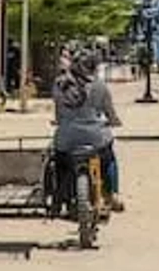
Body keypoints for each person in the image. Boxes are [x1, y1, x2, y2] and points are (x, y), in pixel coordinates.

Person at [53, 49, 124, 212]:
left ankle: (59, 196)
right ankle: (111, 195)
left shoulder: (59, 84)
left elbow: (58, 112)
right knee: (109, 159)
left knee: (60, 161)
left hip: (67, 138)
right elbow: (109, 112)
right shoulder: (100, 85)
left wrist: (60, 121)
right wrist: (114, 121)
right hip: (96, 138)